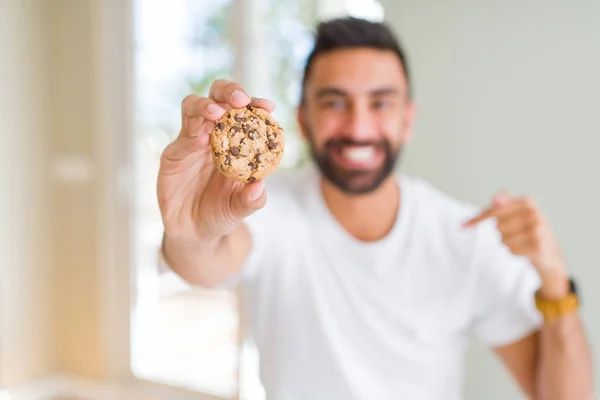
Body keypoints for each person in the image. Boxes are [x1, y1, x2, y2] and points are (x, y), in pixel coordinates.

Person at [157, 17, 593, 400]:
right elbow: (204, 261)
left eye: (380, 102)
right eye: (334, 102)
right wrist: (189, 234)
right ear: (304, 121)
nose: (359, 127)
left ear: (408, 119)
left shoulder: (463, 234)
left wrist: (554, 279)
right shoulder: (267, 207)